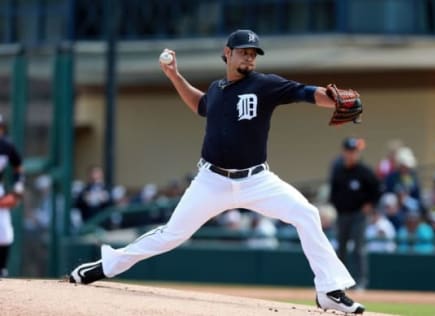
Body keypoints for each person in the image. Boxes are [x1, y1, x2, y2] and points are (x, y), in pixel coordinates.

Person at [69, 29, 365, 314]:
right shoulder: (216, 89)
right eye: (243, 52)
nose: (249, 58)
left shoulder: (264, 85)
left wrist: (333, 99)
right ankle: (105, 266)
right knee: (170, 235)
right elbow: (200, 105)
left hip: (257, 180)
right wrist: (174, 75)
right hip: (211, 181)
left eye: (253, 54)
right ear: (227, 53)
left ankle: (328, 290)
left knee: (307, 214)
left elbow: (304, 92)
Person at [328, 137, 381, 291]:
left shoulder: (364, 171)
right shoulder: (338, 170)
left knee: (358, 248)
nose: (351, 154)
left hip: (359, 215)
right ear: (344, 152)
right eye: (349, 151)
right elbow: (333, 191)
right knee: (341, 249)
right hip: (342, 214)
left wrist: (370, 205)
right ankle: (340, 282)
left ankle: (360, 282)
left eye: (354, 152)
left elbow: (377, 190)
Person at [0, 114, 24, 277]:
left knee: (4, 233)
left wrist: (17, 191)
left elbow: (19, 168)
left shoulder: (7, 146)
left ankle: (1, 269)